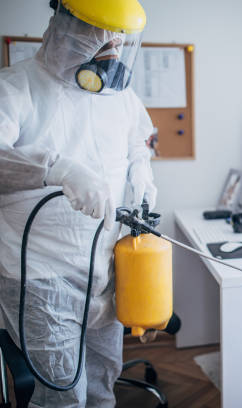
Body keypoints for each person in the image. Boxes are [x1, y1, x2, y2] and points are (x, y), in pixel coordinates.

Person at [0, 0, 156, 406]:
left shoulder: (119, 97)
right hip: (41, 274)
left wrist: (142, 174)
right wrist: (55, 168)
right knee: (63, 396)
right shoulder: (15, 88)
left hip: (104, 266)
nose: (112, 56)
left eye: (119, 45)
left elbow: (140, 142)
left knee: (104, 380)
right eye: (101, 42)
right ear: (66, 30)